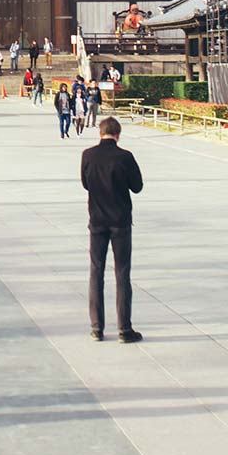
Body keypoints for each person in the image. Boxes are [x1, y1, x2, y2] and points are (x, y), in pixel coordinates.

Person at [81, 116, 144, 343]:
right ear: (118, 134)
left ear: (100, 133)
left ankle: (97, 327)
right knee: (122, 273)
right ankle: (124, 329)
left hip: (97, 221)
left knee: (96, 272)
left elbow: (85, 183)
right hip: (120, 221)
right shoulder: (125, 157)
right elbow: (137, 186)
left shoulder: (88, 155)